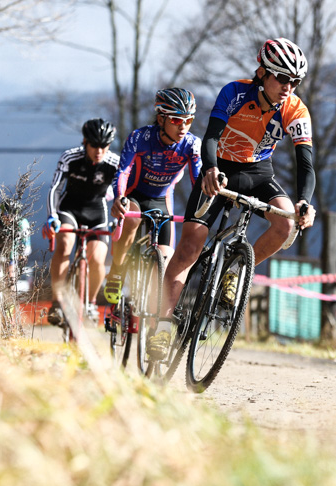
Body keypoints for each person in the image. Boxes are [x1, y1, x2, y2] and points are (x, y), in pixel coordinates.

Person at [150, 38, 318, 359]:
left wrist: (304, 202)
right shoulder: (234, 92)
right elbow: (210, 137)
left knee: (285, 225)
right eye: (281, 78)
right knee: (188, 248)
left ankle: (237, 271)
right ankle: (162, 326)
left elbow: (305, 162)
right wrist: (210, 169)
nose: (288, 87)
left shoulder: (296, 109)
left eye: (294, 82)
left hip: (258, 172)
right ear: (262, 72)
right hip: (220, 170)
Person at [103, 87, 202, 305]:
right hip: (135, 195)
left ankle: (152, 308)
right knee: (132, 217)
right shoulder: (140, 138)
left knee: (165, 260)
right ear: (161, 118)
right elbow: (123, 172)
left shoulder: (192, 144)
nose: (183, 126)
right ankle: (117, 271)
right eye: (177, 120)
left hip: (162, 200)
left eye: (188, 120)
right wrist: (120, 197)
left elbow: (198, 183)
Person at [43, 118, 120, 325]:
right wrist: (52, 216)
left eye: (104, 146)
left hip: (97, 212)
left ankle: (91, 303)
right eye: (94, 145)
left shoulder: (114, 162)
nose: (99, 151)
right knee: (65, 244)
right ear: (85, 141)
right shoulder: (70, 157)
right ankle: (57, 302)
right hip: (70, 208)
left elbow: (123, 192)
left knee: (97, 260)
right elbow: (56, 188)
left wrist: (120, 219)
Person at [0, 199, 31, 284]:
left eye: (13, 214)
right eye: (6, 214)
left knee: (11, 271)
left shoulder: (21, 223)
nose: (9, 217)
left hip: (12, 249)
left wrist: (22, 254)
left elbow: (26, 243)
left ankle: (11, 289)